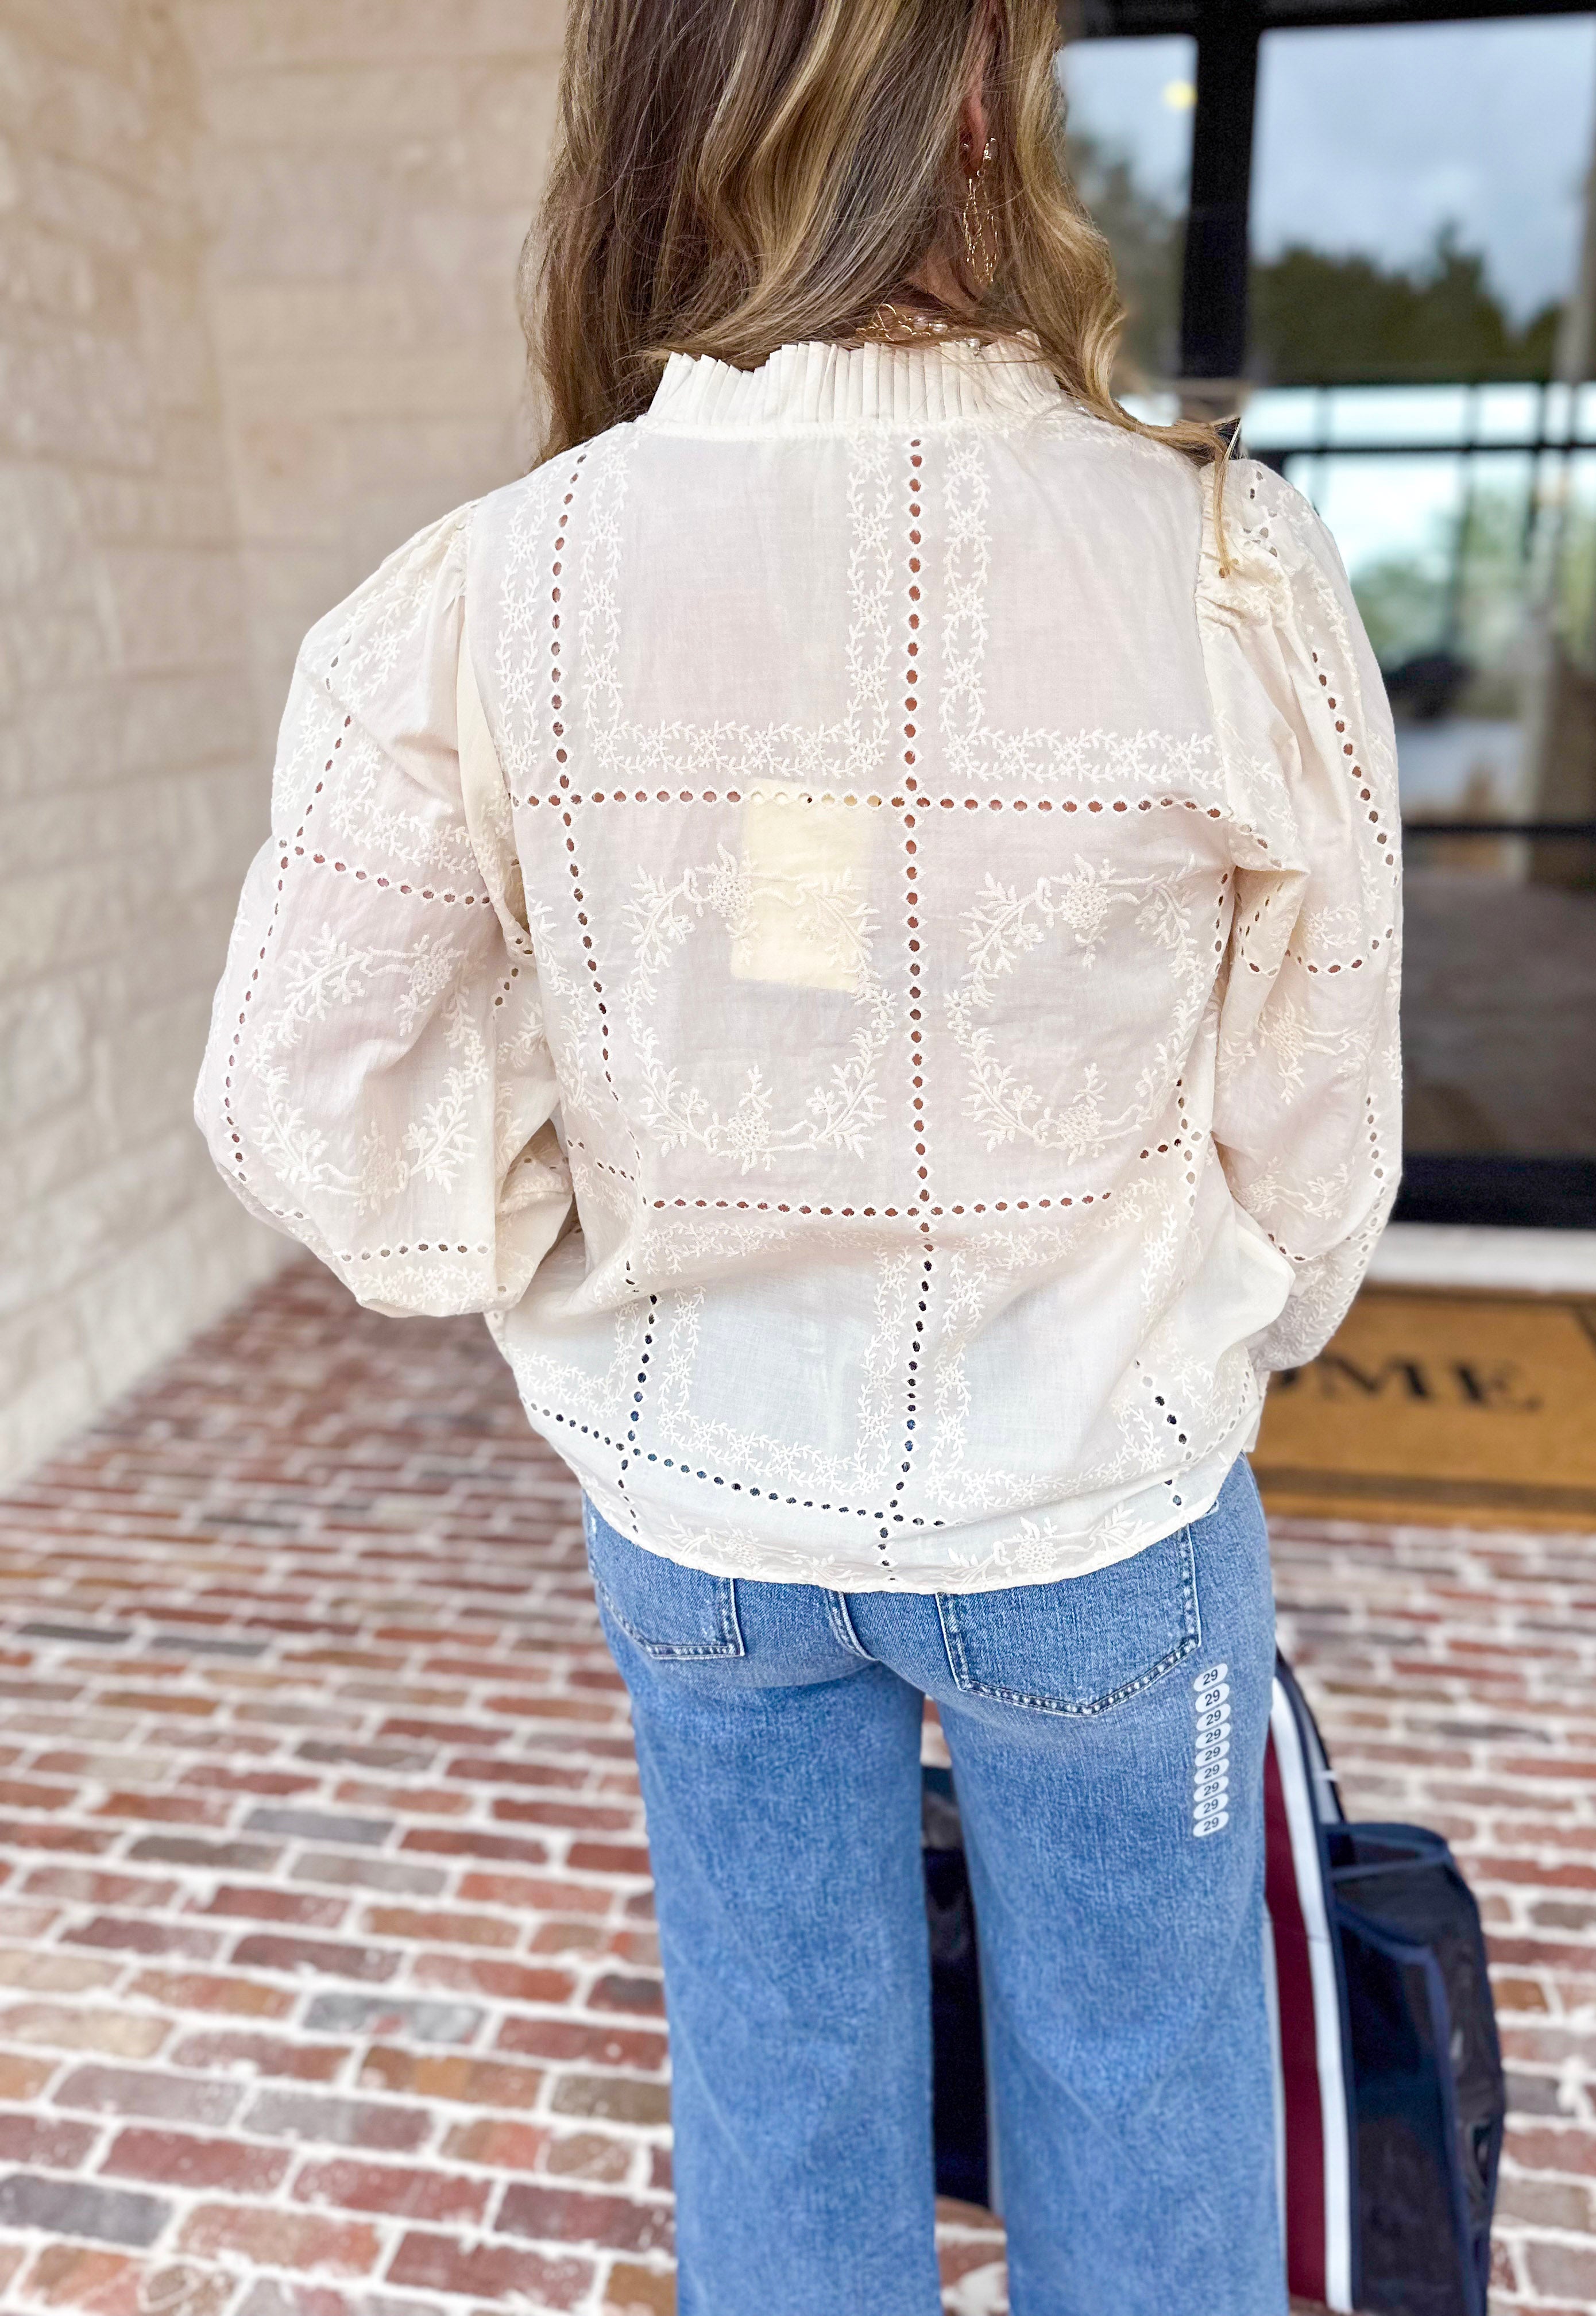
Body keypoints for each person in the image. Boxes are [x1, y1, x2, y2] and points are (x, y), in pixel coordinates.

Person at [196, 1, 1401, 2307]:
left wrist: (580, 1251)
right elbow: (1319, 1137)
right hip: (1101, 1506)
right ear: (973, 95)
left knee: (779, 2090)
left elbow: (303, 1104)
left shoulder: (489, 590)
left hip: (701, 1513)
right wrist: (1217, 1323)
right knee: (1149, 2089)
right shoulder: (1227, 567)